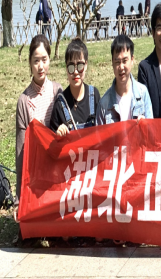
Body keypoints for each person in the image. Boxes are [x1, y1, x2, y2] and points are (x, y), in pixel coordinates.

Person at [15, 34, 62, 202]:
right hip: (35, 174)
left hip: (57, 171)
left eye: (44, 60)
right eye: (36, 61)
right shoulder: (24, 101)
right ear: (30, 63)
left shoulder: (57, 91)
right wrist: (19, 198)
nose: (40, 66)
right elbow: (21, 151)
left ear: (49, 60)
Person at [96, 34, 153, 125]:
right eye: (117, 62)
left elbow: (151, 130)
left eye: (124, 61)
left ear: (132, 60)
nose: (121, 67)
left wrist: (145, 126)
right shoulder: (104, 104)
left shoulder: (143, 93)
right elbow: (99, 134)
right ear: (112, 63)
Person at [50, 38, 100, 135]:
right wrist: (58, 134)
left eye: (80, 65)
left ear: (86, 65)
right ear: (66, 67)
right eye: (71, 66)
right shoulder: (59, 104)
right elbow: (52, 141)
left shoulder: (94, 95)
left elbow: (104, 131)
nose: (76, 72)